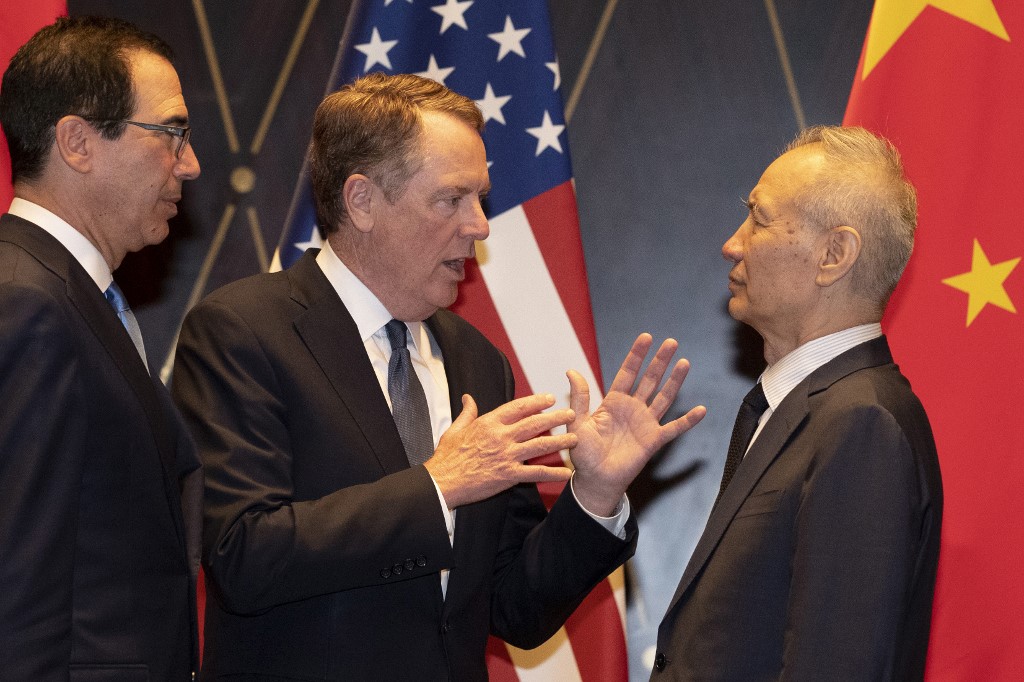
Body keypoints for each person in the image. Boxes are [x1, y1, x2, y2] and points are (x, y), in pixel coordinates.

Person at [171, 72, 706, 680]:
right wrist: (436, 488)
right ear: (363, 201)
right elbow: (245, 555)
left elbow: (515, 609)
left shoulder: (477, 361)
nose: (480, 226)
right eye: (452, 200)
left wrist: (595, 497)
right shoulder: (243, 331)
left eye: (481, 198)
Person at [652, 126, 942, 680]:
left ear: (834, 254)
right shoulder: (810, 409)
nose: (732, 244)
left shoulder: (862, 425)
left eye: (758, 219)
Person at [0, 16, 202, 680]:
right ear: (78, 141)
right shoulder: (29, 304)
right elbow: (20, 581)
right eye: (171, 133)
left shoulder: (61, 292)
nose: (191, 164)